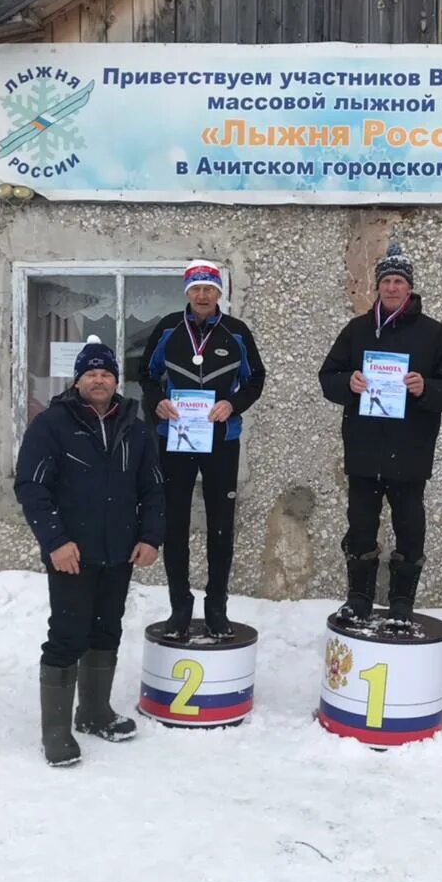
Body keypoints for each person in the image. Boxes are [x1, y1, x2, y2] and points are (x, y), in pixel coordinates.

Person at [15, 336, 166, 767]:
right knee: (67, 635)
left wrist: (151, 537)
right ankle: (56, 731)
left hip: (119, 550)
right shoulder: (51, 425)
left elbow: (153, 487)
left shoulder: (135, 426)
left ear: (115, 380)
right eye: (91, 373)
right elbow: (32, 487)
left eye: (106, 373)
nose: (99, 380)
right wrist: (56, 542)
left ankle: (95, 712)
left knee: (106, 630)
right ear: (77, 379)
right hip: (71, 553)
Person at [319, 241, 442, 625]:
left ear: (409, 287)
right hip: (364, 452)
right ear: (377, 286)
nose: (392, 288)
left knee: (409, 529)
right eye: (386, 281)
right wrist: (346, 383)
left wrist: (426, 389)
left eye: (399, 281)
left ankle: (402, 604)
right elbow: (327, 377)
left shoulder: (434, 335)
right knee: (360, 528)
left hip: (410, 454)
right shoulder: (356, 331)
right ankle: (359, 600)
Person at [138, 260, 266, 639]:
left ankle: (217, 608)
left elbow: (256, 379)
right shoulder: (167, 329)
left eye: (209, 288)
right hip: (175, 437)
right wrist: (157, 400)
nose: (202, 295)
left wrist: (234, 405)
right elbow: (145, 373)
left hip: (220, 439)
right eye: (195, 288)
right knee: (174, 522)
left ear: (219, 292)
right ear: (187, 293)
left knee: (220, 526)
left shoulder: (236, 332)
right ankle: (180, 607)